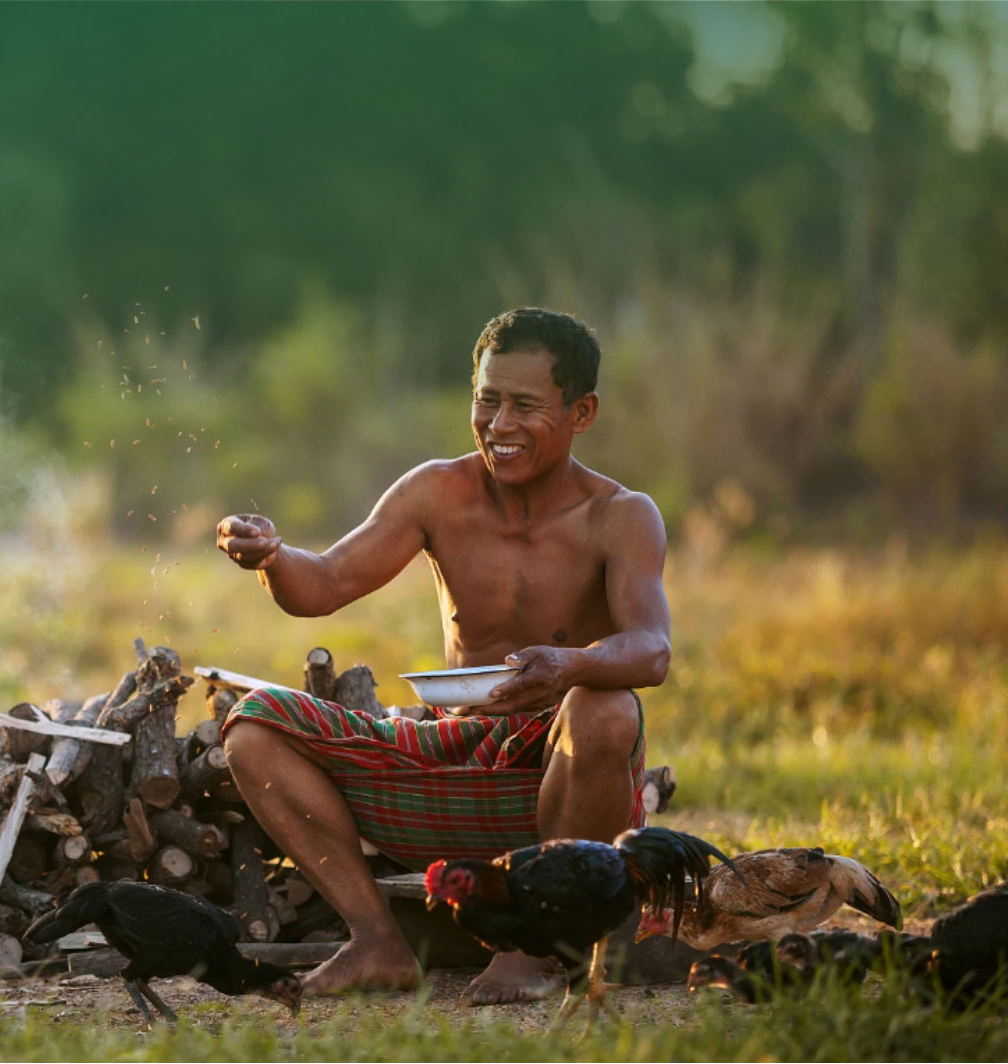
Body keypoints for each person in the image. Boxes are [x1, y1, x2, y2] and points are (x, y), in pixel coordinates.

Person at [214, 306, 670, 1003]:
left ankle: (533, 947)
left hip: (557, 779)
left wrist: (571, 666)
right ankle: (377, 941)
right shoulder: (436, 490)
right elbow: (325, 583)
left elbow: (652, 650)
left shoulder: (622, 515)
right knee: (254, 725)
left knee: (605, 710)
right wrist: (273, 557)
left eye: (525, 406)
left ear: (582, 412)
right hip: (449, 760)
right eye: (487, 400)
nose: (499, 424)